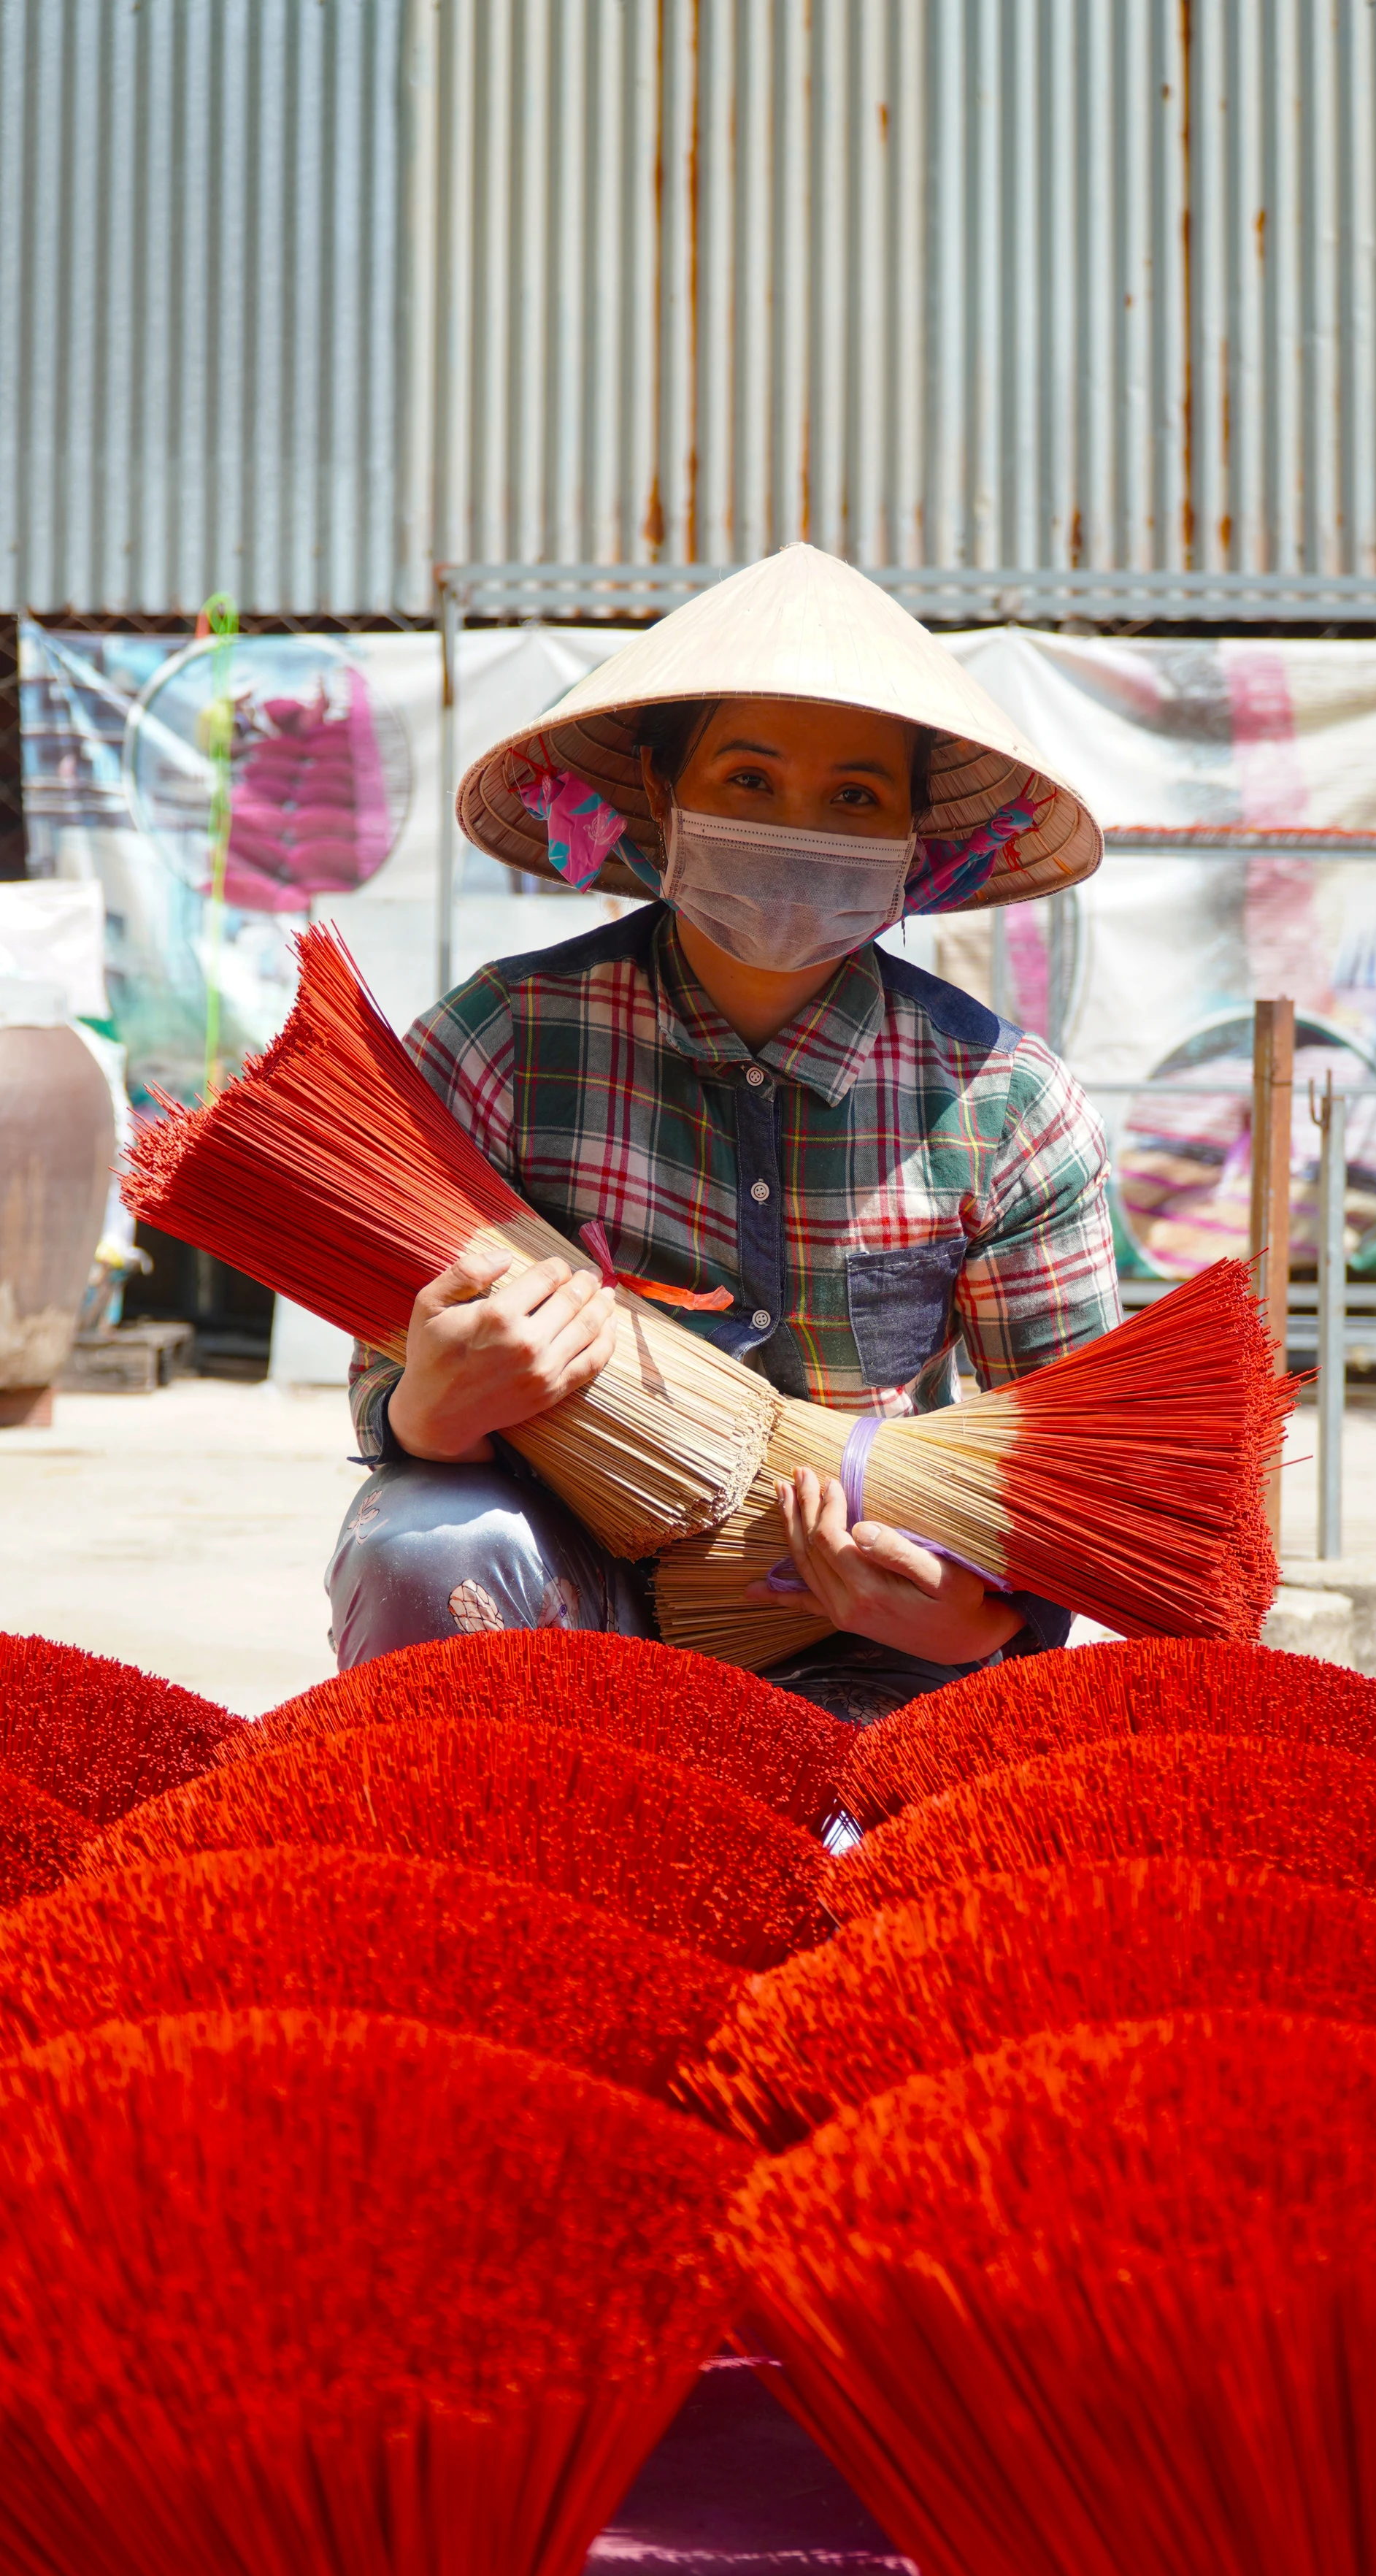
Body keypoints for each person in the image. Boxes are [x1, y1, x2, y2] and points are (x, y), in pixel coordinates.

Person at [329, 547, 1120, 1723]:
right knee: (420, 1545)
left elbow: (1074, 1482)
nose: (799, 827)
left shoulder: (1004, 1104)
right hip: (564, 1603)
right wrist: (424, 1411)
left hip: (863, 1636)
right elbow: (386, 1377)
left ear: (912, 836)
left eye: (855, 796)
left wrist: (981, 1619)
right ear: (660, 792)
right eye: (750, 779)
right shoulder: (500, 1042)